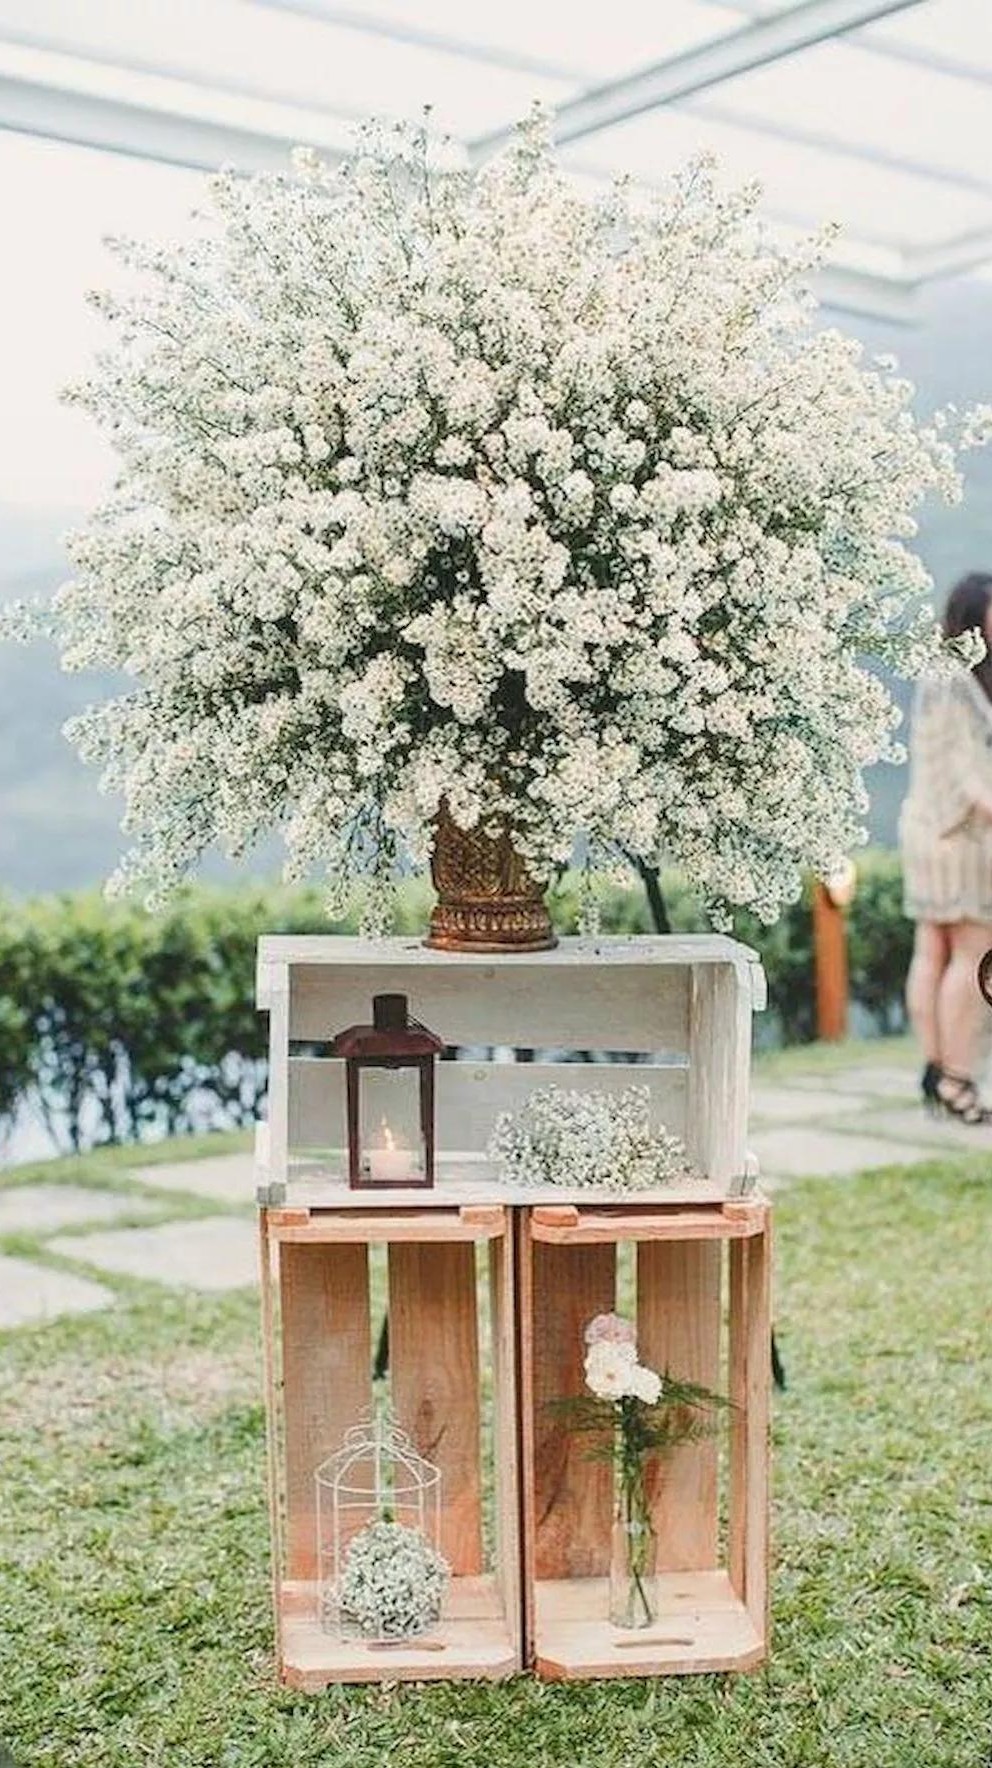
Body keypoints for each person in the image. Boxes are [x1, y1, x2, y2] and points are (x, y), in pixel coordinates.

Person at [901, 572, 992, 1124]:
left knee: (933, 952)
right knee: (972, 953)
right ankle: (957, 1079)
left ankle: (937, 1073)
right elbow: (966, 777)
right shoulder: (955, 681)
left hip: (926, 829)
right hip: (958, 837)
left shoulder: (942, 675)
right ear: (972, 615)